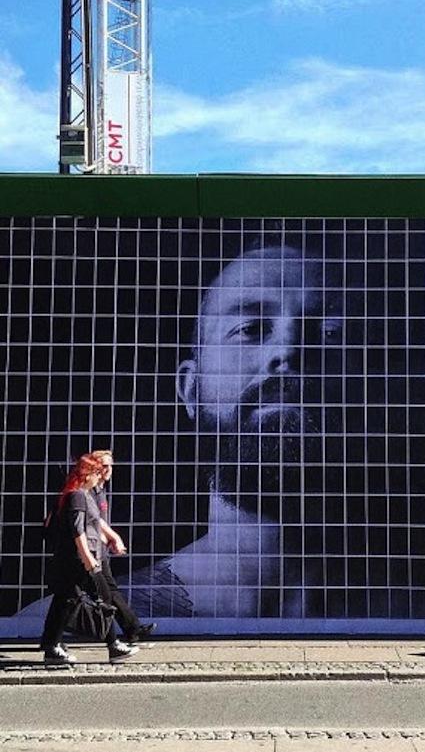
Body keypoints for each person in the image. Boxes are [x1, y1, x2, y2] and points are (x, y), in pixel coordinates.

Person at [127, 244, 344, 618]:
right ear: (192, 391)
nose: (287, 350)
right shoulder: (90, 621)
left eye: (327, 332)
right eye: (248, 328)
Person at [39, 453, 139, 665]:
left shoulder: (85, 495)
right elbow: (78, 530)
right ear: (87, 475)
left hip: (86, 556)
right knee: (93, 598)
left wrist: (109, 539)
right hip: (79, 559)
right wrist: (87, 558)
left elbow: (92, 525)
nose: (99, 476)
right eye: (95, 472)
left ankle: (55, 645)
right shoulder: (77, 496)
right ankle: (58, 647)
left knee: (72, 600)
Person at [88, 449, 155, 643]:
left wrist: (109, 540)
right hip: (91, 552)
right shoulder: (89, 491)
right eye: (104, 466)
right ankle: (117, 639)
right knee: (80, 597)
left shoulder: (100, 489)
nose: (109, 470)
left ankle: (132, 629)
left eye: (110, 466)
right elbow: (93, 520)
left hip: (99, 550)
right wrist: (113, 537)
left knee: (109, 591)